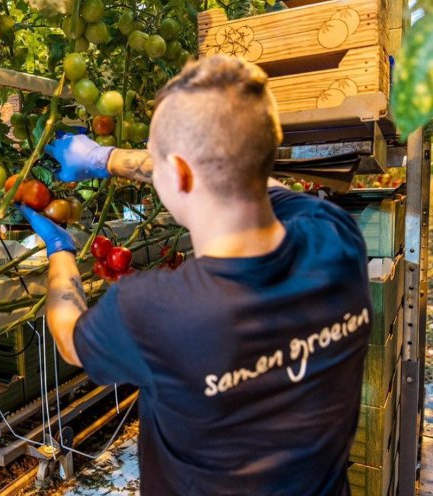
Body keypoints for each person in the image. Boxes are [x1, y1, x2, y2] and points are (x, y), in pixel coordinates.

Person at [20, 56, 371, 495]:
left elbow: (70, 338)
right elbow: (252, 177)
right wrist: (106, 158)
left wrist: (60, 251)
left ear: (181, 173)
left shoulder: (155, 312)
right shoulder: (335, 237)